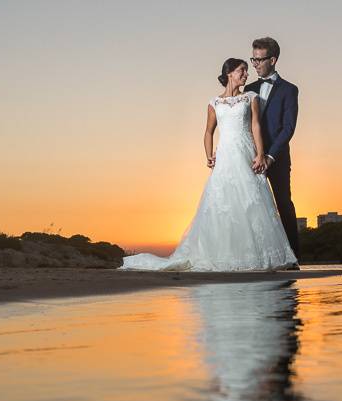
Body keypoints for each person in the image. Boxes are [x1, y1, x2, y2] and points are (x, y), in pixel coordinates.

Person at [120, 58, 297, 272]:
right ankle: (225, 255)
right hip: (225, 155)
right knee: (223, 203)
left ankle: (259, 255)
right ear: (230, 73)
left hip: (246, 152)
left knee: (253, 201)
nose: (246, 74)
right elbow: (208, 131)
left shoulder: (251, 97)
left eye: (247, 71)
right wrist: (208, 155)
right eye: (242, 70)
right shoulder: (214, 103)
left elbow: (256, 127)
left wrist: (260, 154)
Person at [244, 37, 300, 262]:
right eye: (253, 59)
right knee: (251, 207)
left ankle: (294, 256)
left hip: (276, 158)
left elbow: (288, 128)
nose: (255, 64)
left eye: (259, 59)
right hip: (249, 157)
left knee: (283, 203)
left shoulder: (289, 90)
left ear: (273, 59)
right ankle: (255, 257)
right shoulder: (248, 89)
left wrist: (269, 156)